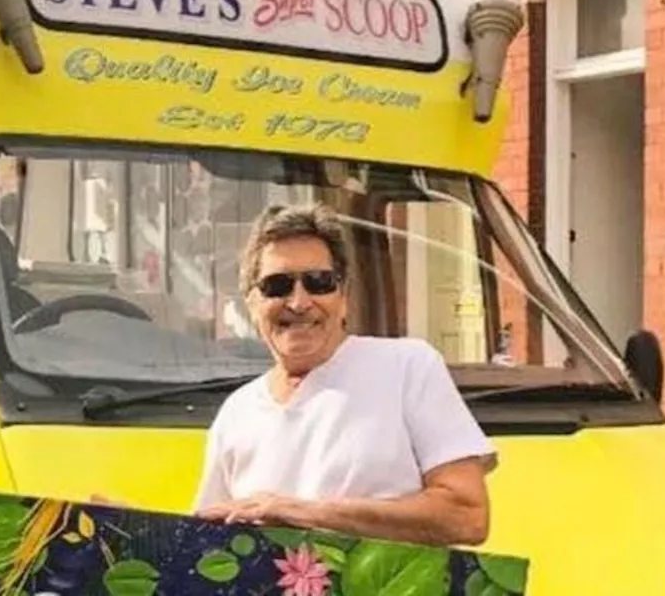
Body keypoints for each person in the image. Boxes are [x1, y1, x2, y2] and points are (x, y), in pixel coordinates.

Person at [192, 203, 497, 547]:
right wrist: (124, 527)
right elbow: (205, 546)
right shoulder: (238, 411)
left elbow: (467, 516)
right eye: (277, 286)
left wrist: (308, 514)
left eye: (318, 282)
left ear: (344, 296)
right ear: (251, 303)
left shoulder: (407, 367)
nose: (299, 302)